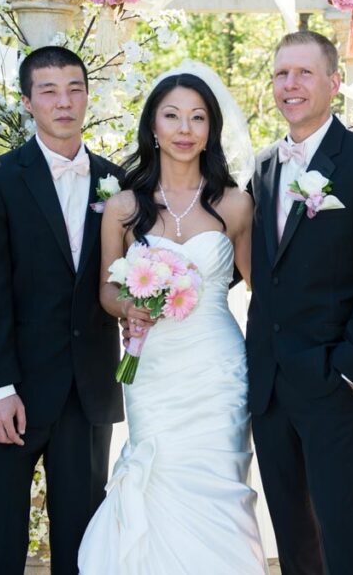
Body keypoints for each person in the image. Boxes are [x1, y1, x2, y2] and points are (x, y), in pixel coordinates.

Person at [77, 61, 266, 573]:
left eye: (198, 118)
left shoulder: (236, 204)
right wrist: (128, 306)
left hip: (218, 369)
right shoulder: (122, 207)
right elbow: (106, 289)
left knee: (219, 479)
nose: (185, 129)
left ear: (211, 131)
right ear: (153, 128)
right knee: (158, 471)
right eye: (173, 116)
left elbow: (264, 292)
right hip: (153, 367)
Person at [246, 30, 353, 574]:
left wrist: (350, 369)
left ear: (334, 83)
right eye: (281, 74)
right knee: (293, 534)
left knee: (343, 528)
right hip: (268, 382)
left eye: (304, 73)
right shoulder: (264, 166)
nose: (290, 85)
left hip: (329, 377)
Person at [0, 46, 124, 574]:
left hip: (89, 389)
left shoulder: (115, 180)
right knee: (0, 535)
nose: (64, 102)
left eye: (74, 89)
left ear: (87, 96)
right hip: (18, 391)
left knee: (81, 540)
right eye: (49, 91)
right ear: (28, 101)